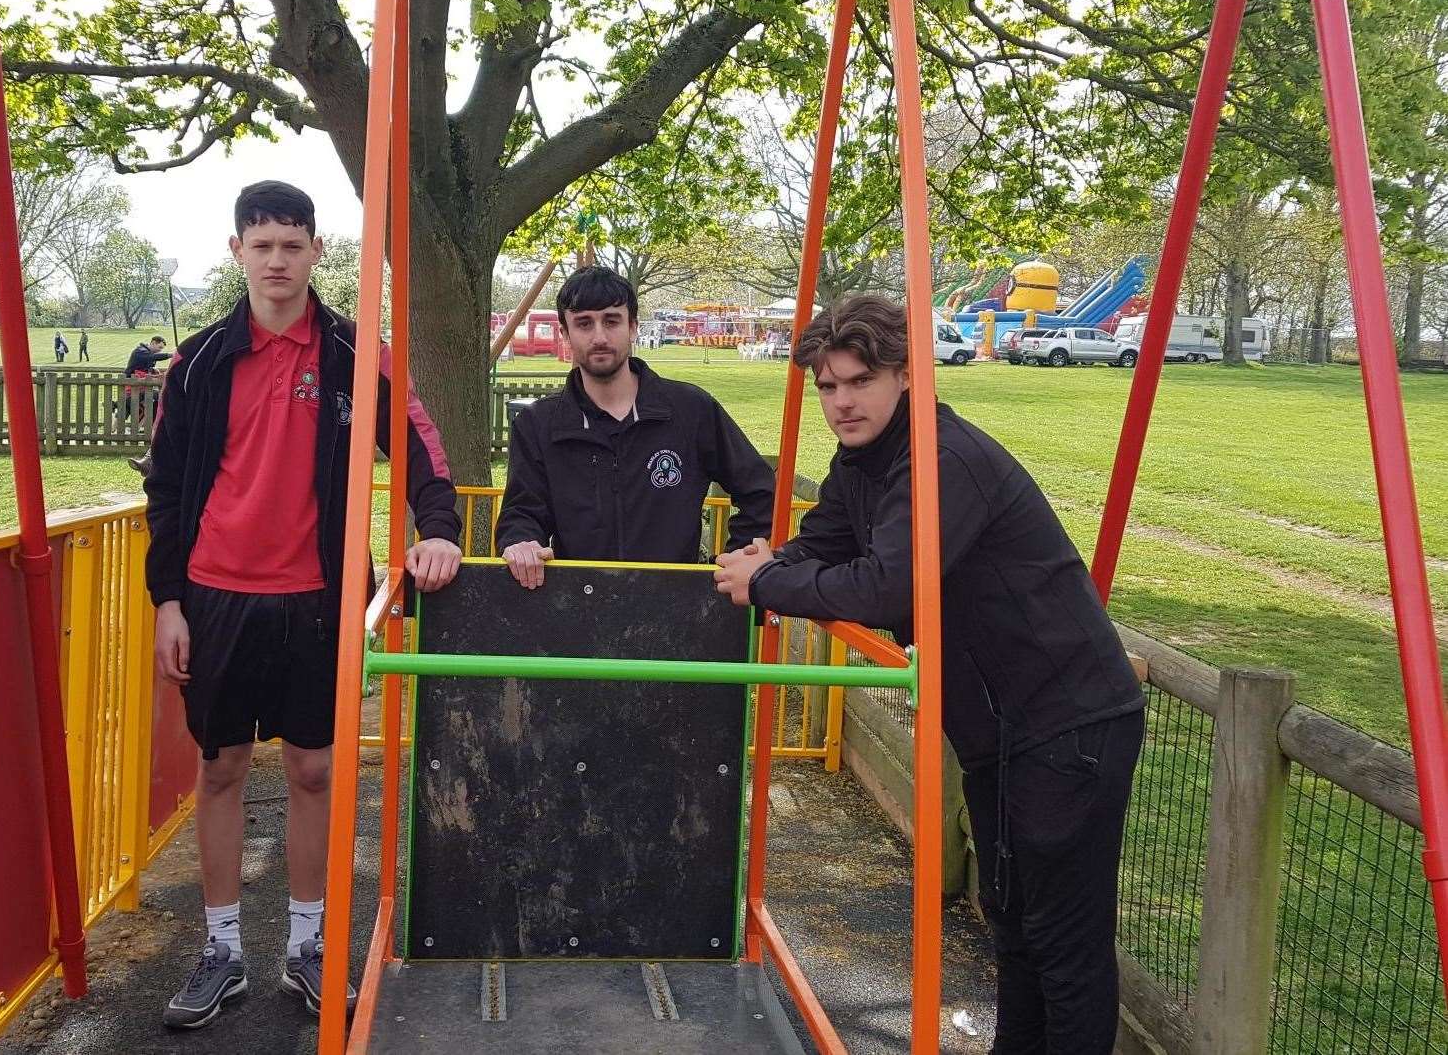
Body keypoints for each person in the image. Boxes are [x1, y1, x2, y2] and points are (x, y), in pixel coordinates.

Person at [712, 294, 1145, 1054]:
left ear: (907, 376)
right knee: (1009, 918)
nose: (841, 401)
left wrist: (768, 583)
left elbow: (888, 585)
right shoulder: (865, 460)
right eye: (827, 385)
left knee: (1062, 938)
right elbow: (823, 542)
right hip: (1001, 726)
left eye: (858, 381)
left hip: (1067, 721)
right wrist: (773, 561)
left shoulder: (940, 461)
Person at [144, 179, 463, 1030]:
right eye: (263, 244)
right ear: (237, 252)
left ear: (318, 251)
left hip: (320, 600)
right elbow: (167, 489)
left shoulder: (360, 357)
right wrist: (167, 600)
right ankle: (220, 951)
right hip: (215, 598)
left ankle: (307, 946)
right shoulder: (200, 362)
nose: (278, 259)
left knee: (315, 769)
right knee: (219, 768)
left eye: (293, 243)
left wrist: (439, 531)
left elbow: (424, 454)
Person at [495, 265, 774, 588]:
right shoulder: (538, 424)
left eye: (611, 321)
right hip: (576, 609)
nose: (599, 336)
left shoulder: (690, 410)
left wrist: (730, 563)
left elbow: (761, 490)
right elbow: (522, 512)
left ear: (633, 327)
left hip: (675, 610)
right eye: (584, 323)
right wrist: (522, 541)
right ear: (565, 334)